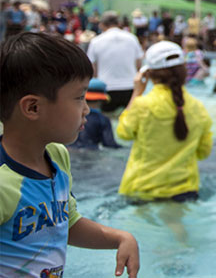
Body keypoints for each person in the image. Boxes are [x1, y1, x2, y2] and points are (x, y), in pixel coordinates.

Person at [0, 32, 140, 277]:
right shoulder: (3, 183)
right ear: (33, 107)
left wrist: (119, 237)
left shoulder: (57, 156)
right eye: (78, 97)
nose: (86, 109)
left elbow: (66, 223)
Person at [117, 41, 213, 201]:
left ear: (149, 74)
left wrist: (136, 93)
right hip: (186, 189)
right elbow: (204, 152)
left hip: (143, 189)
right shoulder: (199, 108)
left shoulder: (142, 105)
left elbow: (123, 133)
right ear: (183, 72)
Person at [87, 11, 144, 113]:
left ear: (102, 25)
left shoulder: (96, 41)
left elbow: (92, 67)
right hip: (130, 87)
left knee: (107, 122)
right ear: (119, 23)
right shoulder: (132, 38)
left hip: (107, 87)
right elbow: (139, 64)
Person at [69, 78, 121, 150]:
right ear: (102, 101)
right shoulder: (103, 119)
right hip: (91, 154)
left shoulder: (71, 116)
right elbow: (109, 144)